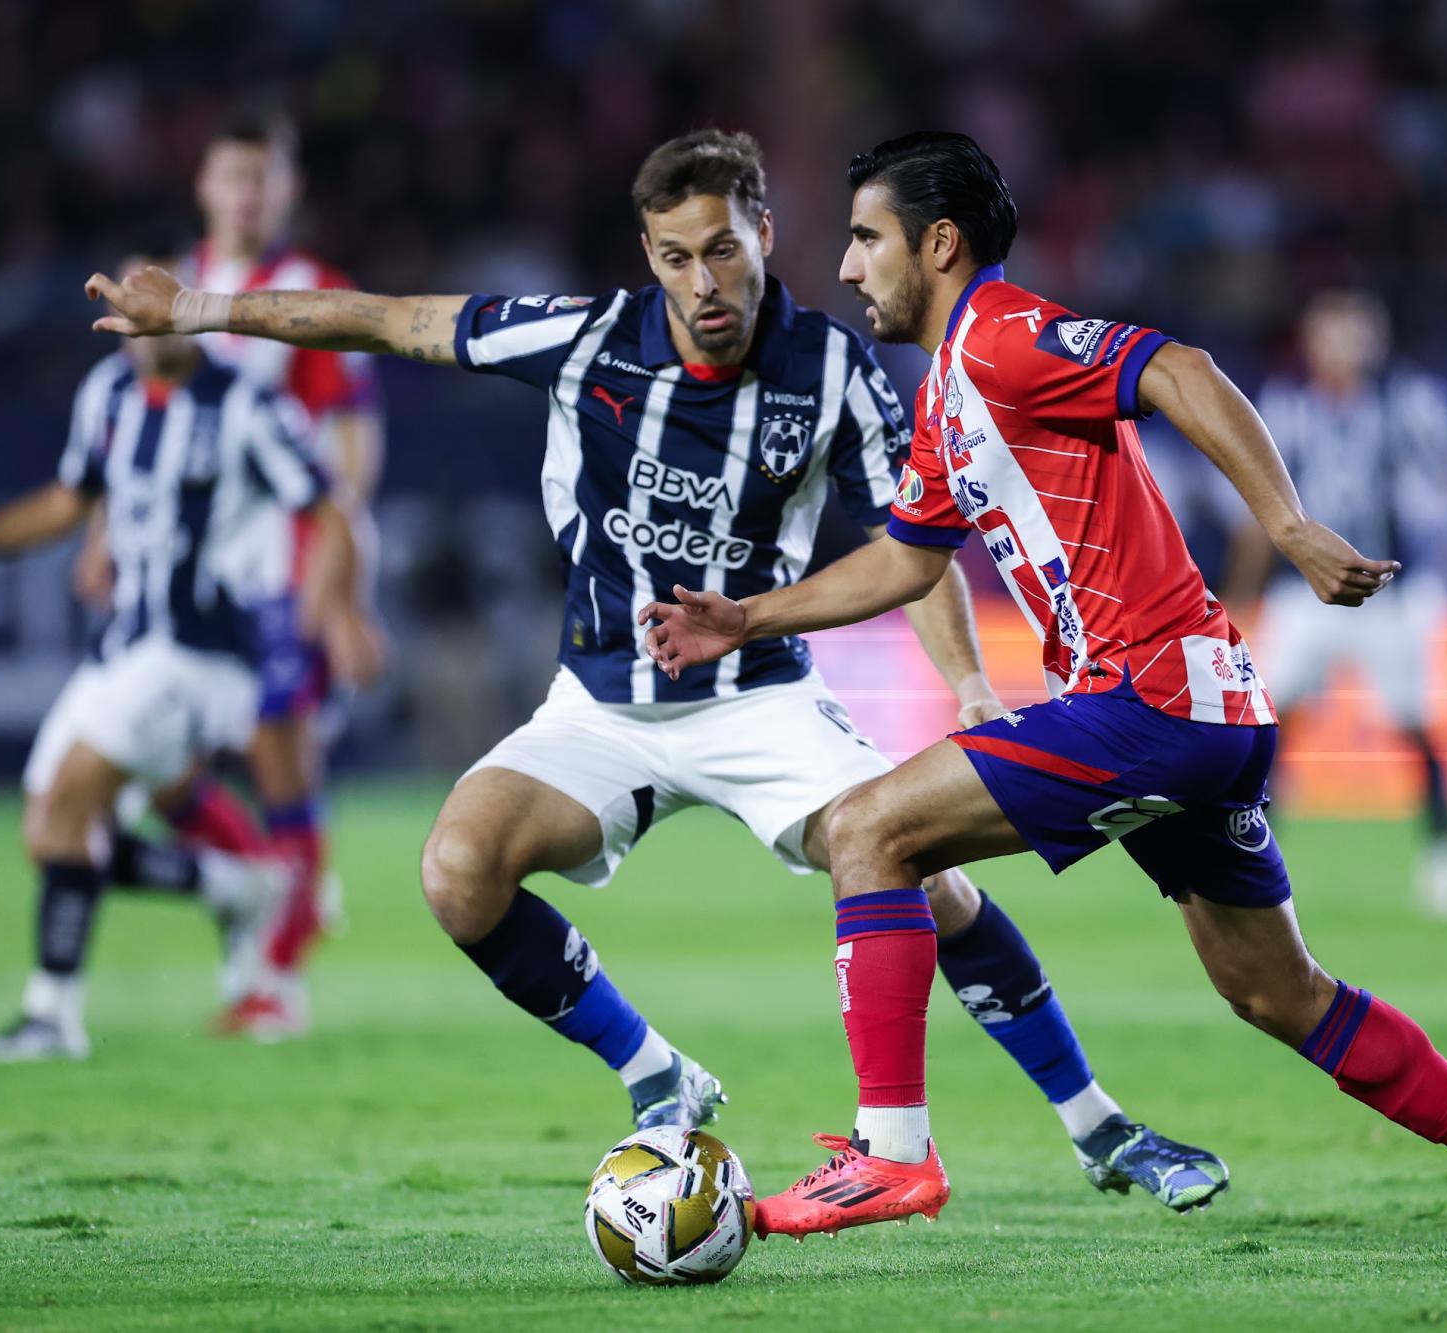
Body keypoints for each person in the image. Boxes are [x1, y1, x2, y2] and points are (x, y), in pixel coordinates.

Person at [83, 130, 1230, 1210]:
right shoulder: (582, 337)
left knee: (919, 871)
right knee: (457, 870)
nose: (704, 282)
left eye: (723, 249)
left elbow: (912, 546)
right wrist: (192, 307)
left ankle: (1099, 1126)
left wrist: (970, 686)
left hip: (761, 696)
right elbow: (385, 321)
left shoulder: (829, 367)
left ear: (764, 234)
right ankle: (654, 1072)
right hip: (599, 702)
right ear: (649, 255)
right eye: (677, 257)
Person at [641, 132, 1447, 1259]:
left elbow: (1180, 369)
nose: (847, 268)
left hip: (1153, 698)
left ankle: (891, 1151)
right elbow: (907, 559)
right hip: (1197, 710)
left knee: (867, 830)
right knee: (1272, 989)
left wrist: (1284, 526)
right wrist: (747, 617)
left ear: (937, 243)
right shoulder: (951, 387)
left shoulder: (1002, 337)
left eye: (866, 238)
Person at [0, 246, 371, 1062]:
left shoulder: (243, 403)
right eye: (123, 305)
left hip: (204, 653)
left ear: (180, 303)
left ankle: (52, 1015)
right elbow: (65, 504)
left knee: (69, 803)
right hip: (127, 647)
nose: (137, 319)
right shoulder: (106, 396)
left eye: (151, 299)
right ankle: (238, 884)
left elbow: (331, 508)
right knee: (52, 833)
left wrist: (338, 610)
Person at [74, 106, 389, 1038]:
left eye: (264, 178)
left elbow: (349, 451)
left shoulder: (315, 289)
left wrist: (337, 589)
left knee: (280, 758)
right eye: (231, 177)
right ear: (205, 187)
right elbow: (136, 414)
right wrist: (102, 531)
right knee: (162, 776)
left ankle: (275, 978)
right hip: (174, 582)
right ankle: (277, 885)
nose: (247, 195)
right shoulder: (171, 287)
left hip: (273, 576)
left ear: (287, 189)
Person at [1223, 289, 1447, 919]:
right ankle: (1257, 855)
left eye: (1354, 332)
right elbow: (1262, 509)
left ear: (1377, 339)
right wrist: (1240, 588)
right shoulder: (1286, 406)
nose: (1343, 345)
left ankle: (1445, 852)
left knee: (1417, 723)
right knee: (1268, 723)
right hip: (1306, 591)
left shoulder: (1409, 401)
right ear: (1309, 341)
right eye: (1330, 332)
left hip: (1389, 589)